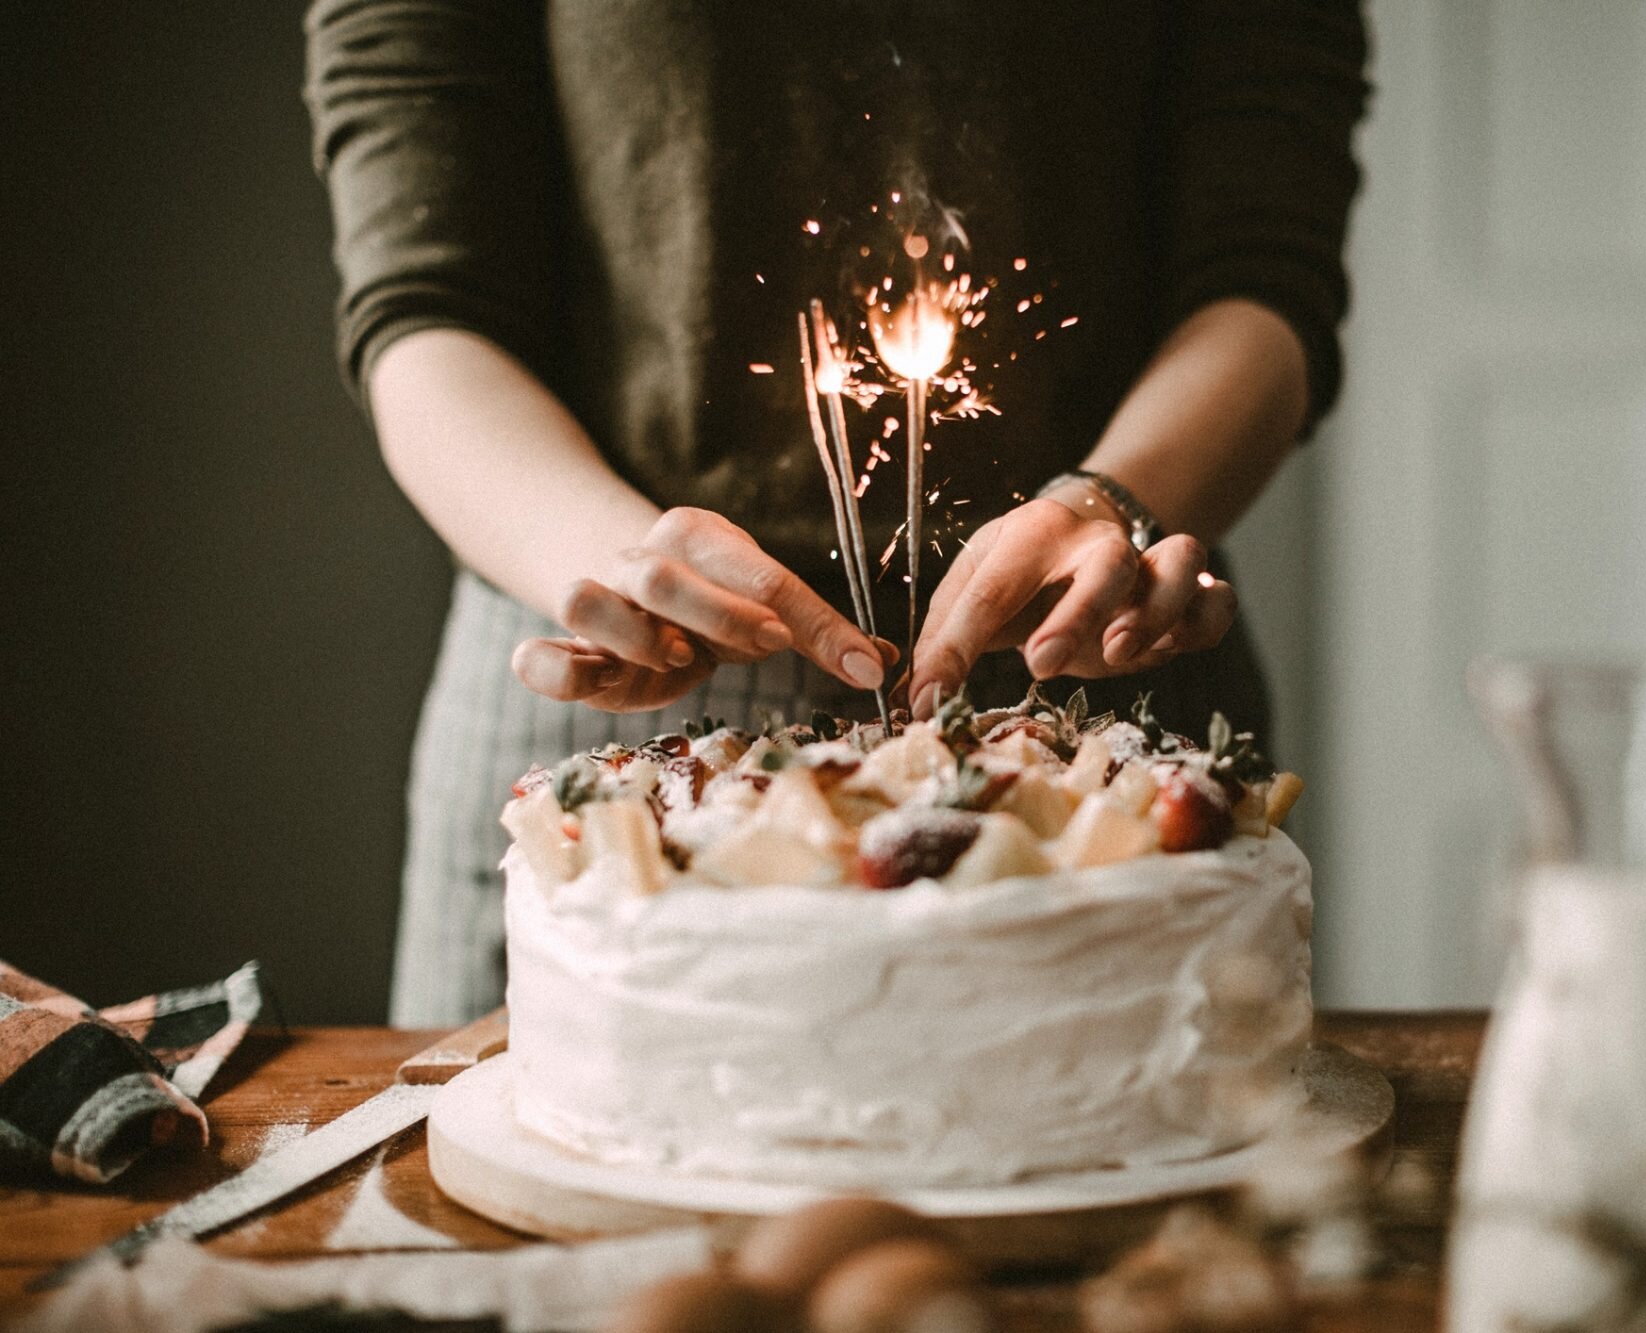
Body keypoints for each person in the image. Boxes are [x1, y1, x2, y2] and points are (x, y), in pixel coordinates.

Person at [305, 1, 1369, 1025]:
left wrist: (1113, 504)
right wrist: (619, 563)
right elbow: (424, 301)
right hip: (608, 682)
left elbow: (1261, 270)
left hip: (1094, 676)